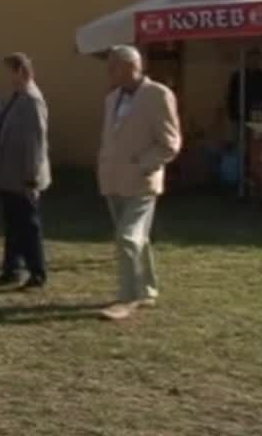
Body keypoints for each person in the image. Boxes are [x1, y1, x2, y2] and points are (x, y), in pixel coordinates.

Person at [98, 45, 182, 321]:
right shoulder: (112, 99)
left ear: (131, 67)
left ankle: (128, 297)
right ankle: (146, 290)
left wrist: (143, 165)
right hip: (113, 179)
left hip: (142, 181)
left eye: (113, 66)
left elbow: (170, 143)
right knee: (137, 239)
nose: (109, 72)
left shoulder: (158, 95)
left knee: (127, 237)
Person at [0, 53, 51, 288]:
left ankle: (37, 271)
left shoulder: (32, 100)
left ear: (20, 71)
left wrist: (31, 178)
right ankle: (12, 268)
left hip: (24, 177)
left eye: (9, 71)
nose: (6, 77)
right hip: (9, 175)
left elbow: (35, 142)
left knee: (28, 225)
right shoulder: (17, 97)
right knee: (13, 225)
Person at [226, 48, 262, 123]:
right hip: (241, 115)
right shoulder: (238, 76)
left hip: (259, 115)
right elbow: (232, 95)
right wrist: (233, 113)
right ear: (247, 60)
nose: (254, 61)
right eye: (252, 59)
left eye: (257, 59)